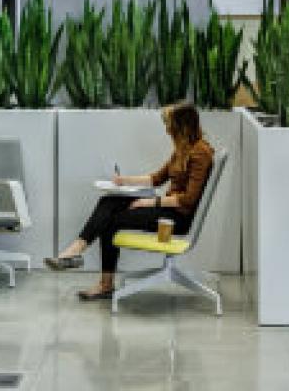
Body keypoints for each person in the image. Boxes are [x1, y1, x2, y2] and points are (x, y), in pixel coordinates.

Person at [45, 103, 213, 302]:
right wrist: (124, 180)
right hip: (167, 209)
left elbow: (189, 199)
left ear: (182, 127)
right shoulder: (182, 149)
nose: (167, 130)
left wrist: (149, 203)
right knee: (108, 201)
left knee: (112, 222)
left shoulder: (200, 153)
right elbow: (157, 178)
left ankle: (105, 285)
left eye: (170, 125)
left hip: (176, 218)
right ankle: (75, 250)